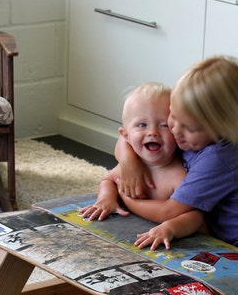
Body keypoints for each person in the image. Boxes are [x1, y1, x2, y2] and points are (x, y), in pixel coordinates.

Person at [117, 55, 238, 287]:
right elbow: (126, 139)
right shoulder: (193, 141)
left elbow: (169, 212)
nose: (175, 131)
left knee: (208, 291)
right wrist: (129, 162)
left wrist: (126, 198)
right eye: (172, 119)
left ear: (221, 129)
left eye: (188, 128)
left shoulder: (218, 157)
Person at [78, 81, 203, 239]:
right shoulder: (132, 166)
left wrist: (171, 228)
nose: (152, 132)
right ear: (126, 135)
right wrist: (106, 199)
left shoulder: (178, 175)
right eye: (142, 124)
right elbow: (108, 180)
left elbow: (197, 216)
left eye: (164, 125)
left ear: (177, 132)